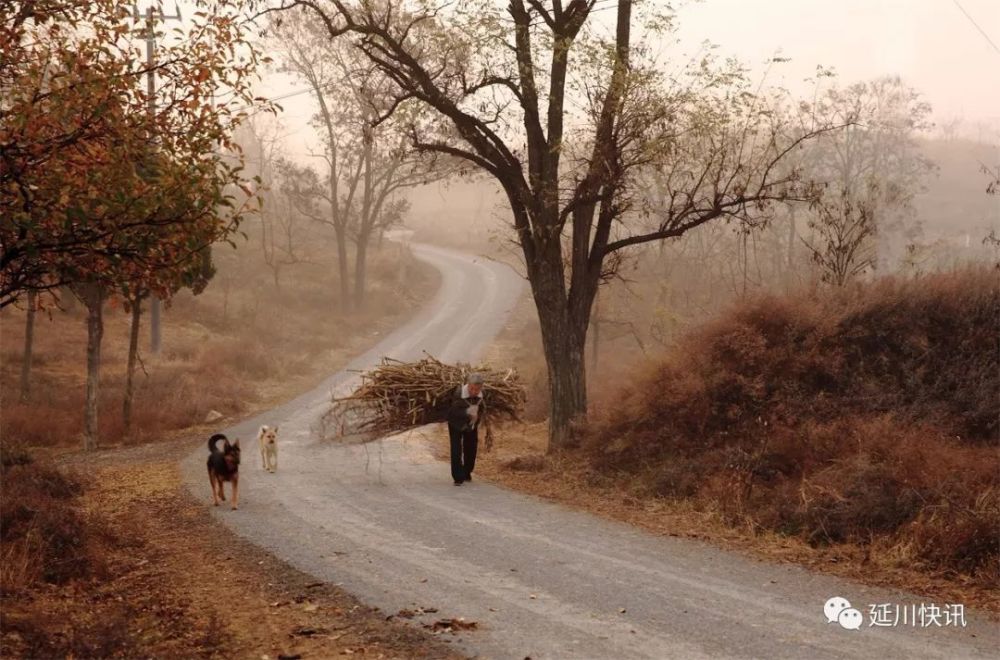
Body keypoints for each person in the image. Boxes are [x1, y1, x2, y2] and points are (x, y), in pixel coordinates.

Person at [446, 372, 486, 485]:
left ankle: (466, 471)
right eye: (471, 389)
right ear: (468, 385)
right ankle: (458, 478)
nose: (473, 392)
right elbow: (452, 412)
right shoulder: (458, 393)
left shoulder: (483, 395)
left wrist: (477, 418)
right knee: (456, 450)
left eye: (477, 390)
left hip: (471, 425)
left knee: (471, 449)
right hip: (455, 424)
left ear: (481, 388)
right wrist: (467, 413)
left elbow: (483, 409)